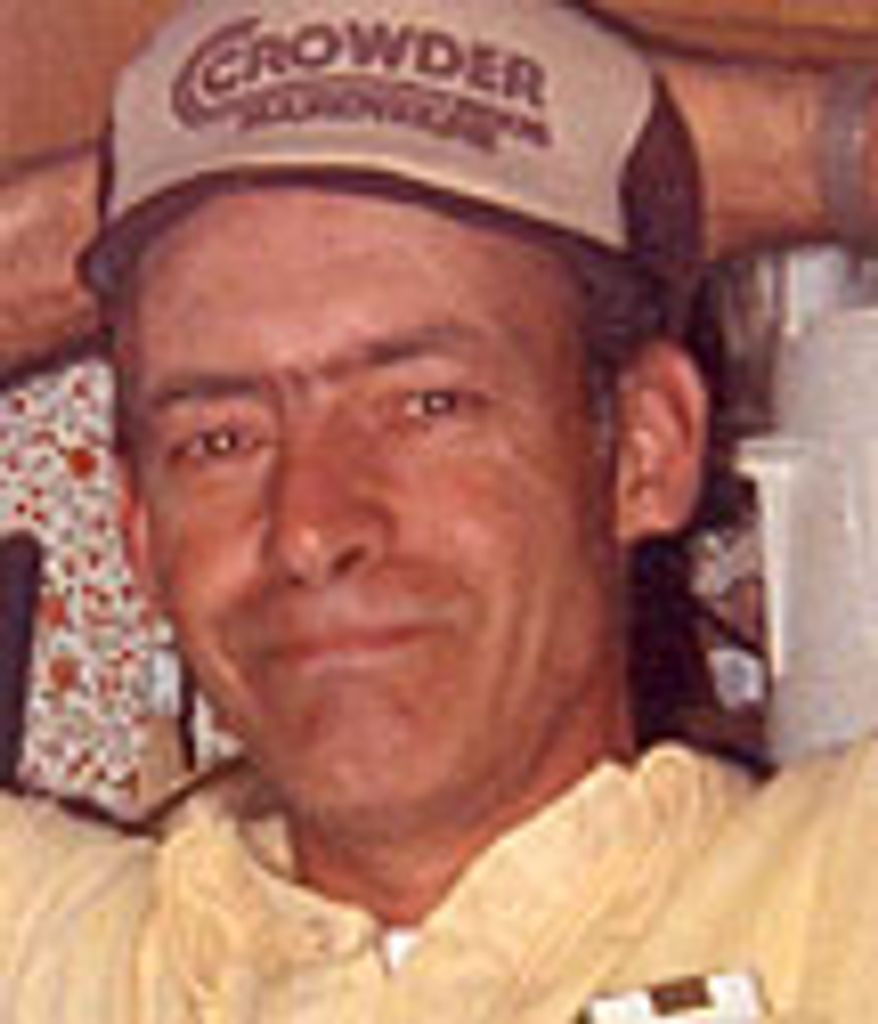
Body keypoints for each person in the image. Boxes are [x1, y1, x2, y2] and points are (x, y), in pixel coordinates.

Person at [1, 2, 878, 1021]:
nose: (311, 527)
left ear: (646, 446)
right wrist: (171, 186)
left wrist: (792, 150)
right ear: (141, 537)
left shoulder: (835, 898)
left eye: (427, 406)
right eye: (220, 440)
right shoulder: (72, 968)